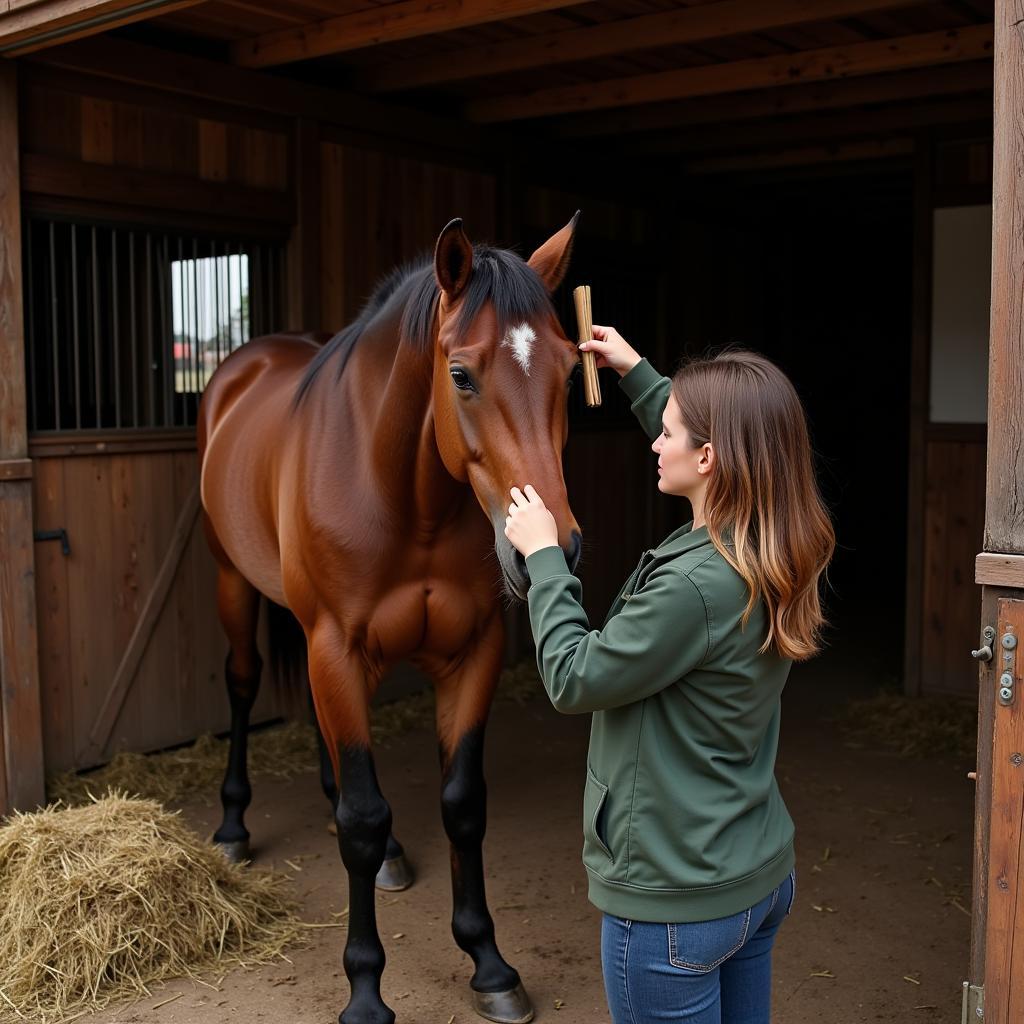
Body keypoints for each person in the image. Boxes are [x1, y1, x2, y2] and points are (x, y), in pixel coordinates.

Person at [503, 325, 835, 1024]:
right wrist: (636, 372)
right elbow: (730, 437)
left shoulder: (694, 590)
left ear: (709, 458)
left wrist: (544, 561)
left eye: (670, 433)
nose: (656, 440)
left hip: (675, 909)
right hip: (754, 876)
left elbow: (572, 676)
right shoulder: (775, 540)